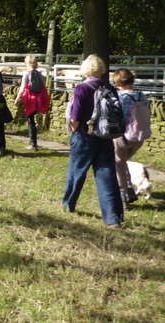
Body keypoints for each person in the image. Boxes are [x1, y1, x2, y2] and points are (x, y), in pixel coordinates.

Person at [61, 54, 123, 227]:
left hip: (84, 136)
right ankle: (113, 218)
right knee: (107, 176)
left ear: (85, 69)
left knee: (76, 172)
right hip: (105, 137)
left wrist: (75, 132)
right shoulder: (109, 88)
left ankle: (69, 205)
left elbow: (75, 117)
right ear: (101, 69)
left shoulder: (82, 88)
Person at [112, 68, 151, 207]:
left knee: (118, 164)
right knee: (123, 163)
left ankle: (123, 195)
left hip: (123, 136)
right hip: (139, 137)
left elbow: (119, 117)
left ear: (117, 82)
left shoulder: (120, 97)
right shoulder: (141, 95)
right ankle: (129, 187)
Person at [13, 55, 50, 151]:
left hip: (30, 99)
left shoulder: (26, 74)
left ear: (27, 63)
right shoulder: (40, 74)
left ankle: (33, 143)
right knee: (32, 121)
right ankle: (33, 142)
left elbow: (22, 88)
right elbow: (44, 85)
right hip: (39, 99)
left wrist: (17, 98)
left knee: (31, 121)